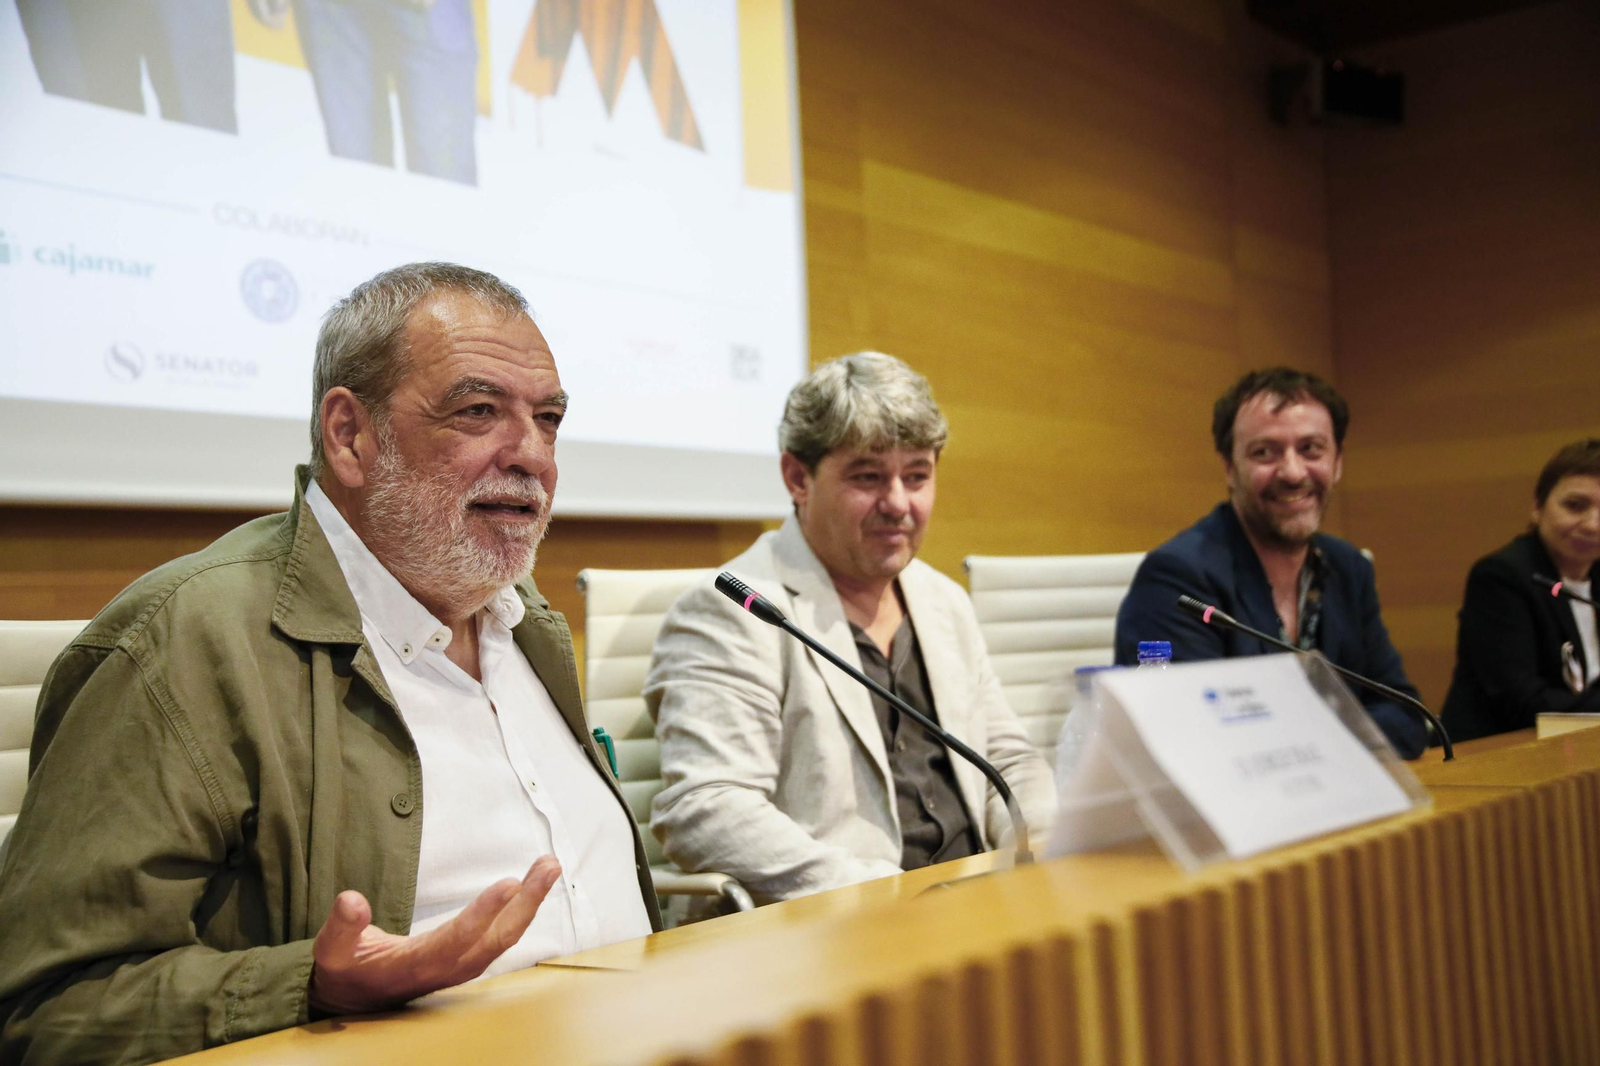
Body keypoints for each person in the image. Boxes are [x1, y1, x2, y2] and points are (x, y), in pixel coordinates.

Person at [0, 263, 658, 1064]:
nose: (532, 455)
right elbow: (49, 1011)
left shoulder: (530, 629)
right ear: (350, 434)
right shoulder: (181, 644)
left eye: (549, 419)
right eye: (479, 411)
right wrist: (311, 987)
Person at [645, 352, 1055, 905]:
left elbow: (1008, 757)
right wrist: (874, 897)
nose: (898, 504)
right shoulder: (736, 610)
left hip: (983, 908)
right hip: (843, 928)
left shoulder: (942, 602)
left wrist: (1038, 845)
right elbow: (708, 806)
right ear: (798, 477)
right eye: (868, 477)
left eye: (917, 476)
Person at [1113, 366, 1430, 758]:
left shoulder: (1348, 568)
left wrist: (1303, 742)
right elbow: (1187, 739)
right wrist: (1339, 734)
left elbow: (1405, 716)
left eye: (1311, 448)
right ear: (1230, 468)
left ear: (1338, 462)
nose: (1293, 472)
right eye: (1265, 452)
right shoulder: (1177, 579)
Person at [1442, 440, 1600, 741]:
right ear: (1537, 507)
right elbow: (1523, 702)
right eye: (1575, 506)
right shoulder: (1502, 576)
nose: (1593, 525)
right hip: (1495, 755)